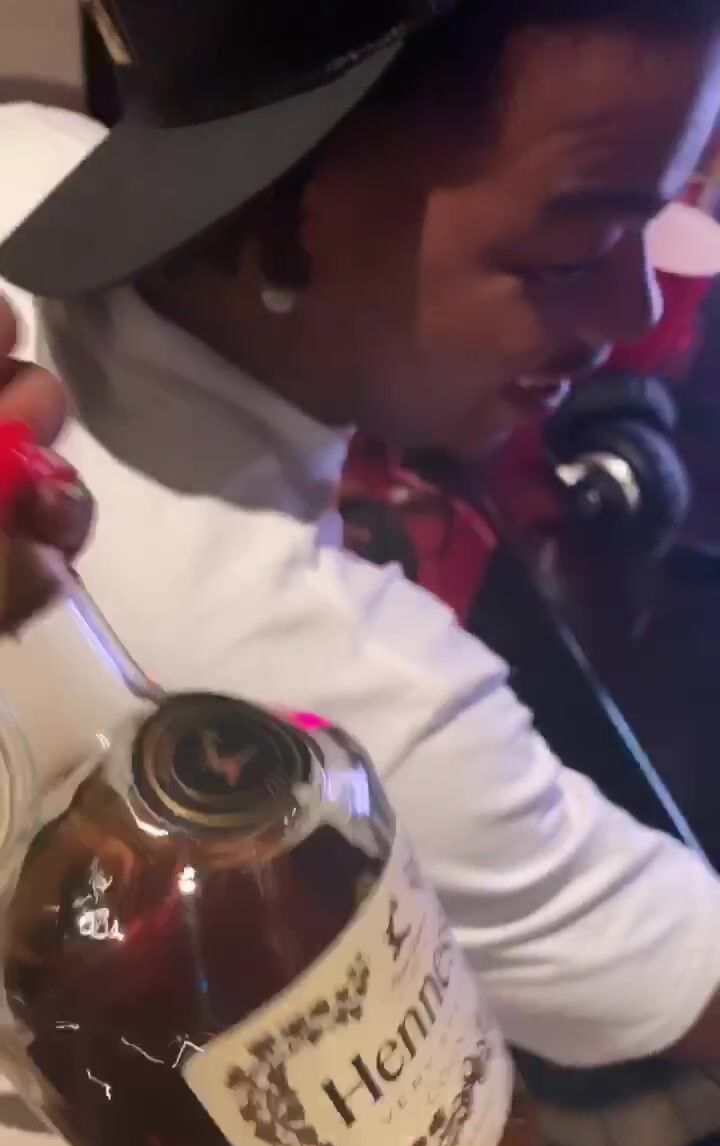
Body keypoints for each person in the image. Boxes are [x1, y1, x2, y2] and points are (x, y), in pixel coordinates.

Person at [0, 0, 720, 1076]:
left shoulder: (25, 150)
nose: (637, 310)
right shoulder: (333, 725)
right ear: (286, 203)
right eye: (575, 248)